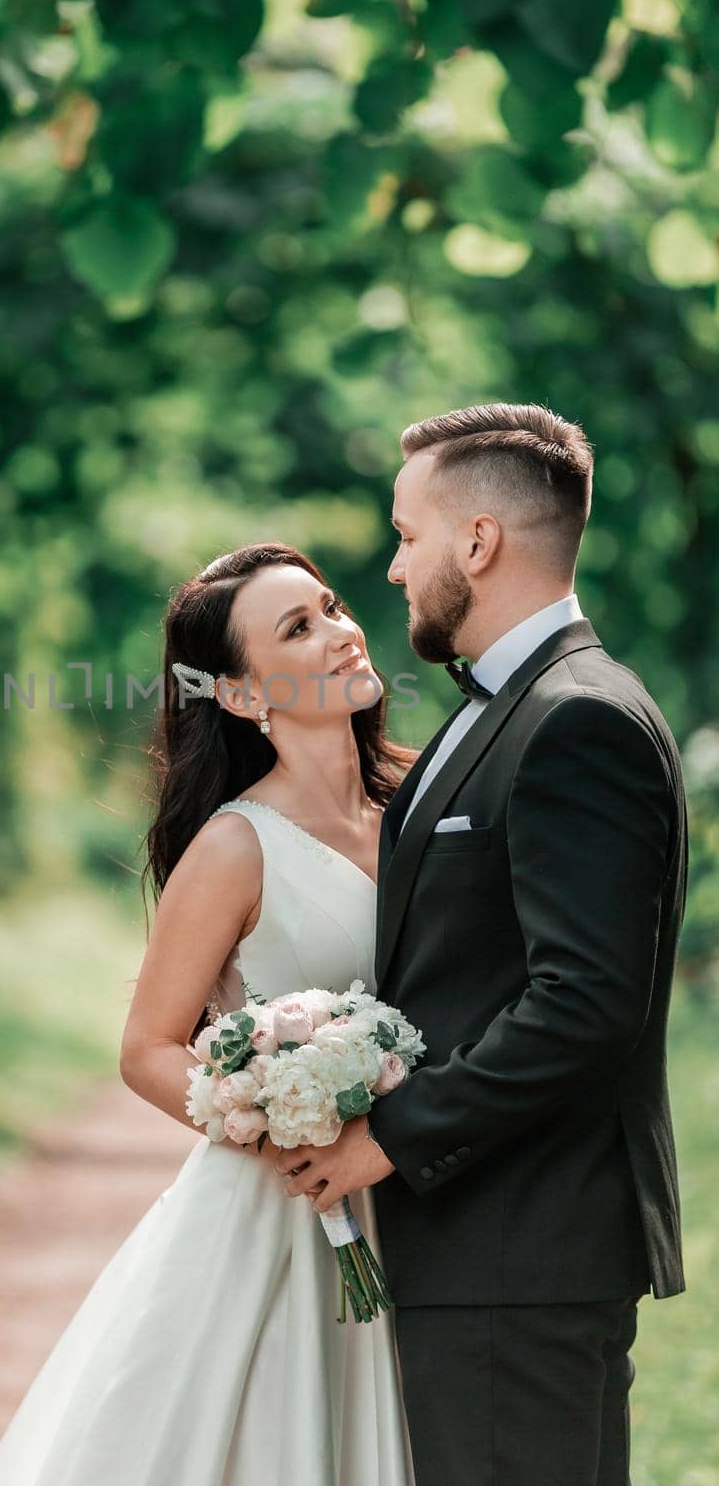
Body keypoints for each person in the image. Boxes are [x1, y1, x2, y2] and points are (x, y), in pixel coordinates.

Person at [278, 402, 687, 1486]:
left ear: (477, 541)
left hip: (521, 1252)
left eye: (407, 535)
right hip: (490, 1250)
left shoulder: (575, 717)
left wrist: (392, 1134)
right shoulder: (500, 706)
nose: (395, 567)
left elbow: (580, 1004)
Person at [0, 541, 419, 1485]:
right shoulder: (235, 845)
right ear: (243, 696)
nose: (341, 634)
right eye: (298, 628)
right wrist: (278, 1125)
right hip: (281, 1209)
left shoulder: (421, 801)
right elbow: (146, 1048)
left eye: (333, 607)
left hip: (419, 1188)